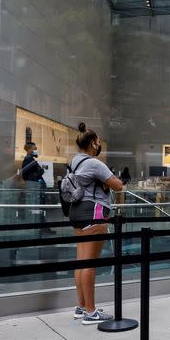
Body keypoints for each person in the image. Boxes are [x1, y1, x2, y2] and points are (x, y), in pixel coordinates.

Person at [68, 123, 122, 324]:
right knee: (90, 263)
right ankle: (91, 312)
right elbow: (118, 186)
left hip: (77, 212)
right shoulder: (94, 163)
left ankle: (81, 307)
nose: (99, 145)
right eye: (98, 142)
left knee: (81, 261)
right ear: (92, 143)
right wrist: (108, 181)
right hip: (94, 213)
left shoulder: (74, 162)